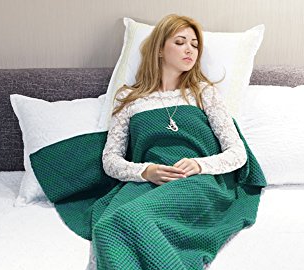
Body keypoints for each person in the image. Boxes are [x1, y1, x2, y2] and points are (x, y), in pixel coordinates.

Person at [102, 13, 248, 186]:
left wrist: (199, 165)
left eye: (195, 45)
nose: (189, 50)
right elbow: (110, 160)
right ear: (159, 49)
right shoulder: (128, 98)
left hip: (198, 182)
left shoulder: (204, 93)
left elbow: (237, 153)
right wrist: (145, 171)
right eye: (180, 42)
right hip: (146, 185)